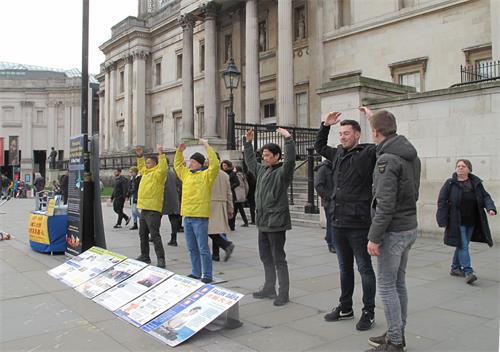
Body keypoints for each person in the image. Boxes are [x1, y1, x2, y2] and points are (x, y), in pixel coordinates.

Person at [363, 108, 421, 352]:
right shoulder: (409, 154)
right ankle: (396, 330)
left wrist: (374, 238)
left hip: (393, 230)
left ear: (376, 132)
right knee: (398, 283)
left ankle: (395, 341)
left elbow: (384, 204)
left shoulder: (387, 159)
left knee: (387, 286)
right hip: (408, 226)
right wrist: (373, 116)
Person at [315, 111, 377, 331]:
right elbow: (320, 147)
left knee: (364, 269)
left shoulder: (369, 152)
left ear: (357, 135)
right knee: (344, 269)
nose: (342, 137)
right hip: (338, 221)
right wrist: (325, 126)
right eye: (340, 133)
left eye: (347, 133)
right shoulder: (338, 153)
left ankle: (368, 311)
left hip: (359, 223)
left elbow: (386, 142)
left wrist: (373, 119)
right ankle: (345, 307)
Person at [243, 127, 296, 306]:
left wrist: (288, 139)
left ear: (276, 156)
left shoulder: (283, 173)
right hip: (263, 221)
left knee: (278, 258)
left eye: (267, 155)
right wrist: (247, 143)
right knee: (265, 256)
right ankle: (269, 287)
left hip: (276, 222)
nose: (264, 158)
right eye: (263, 155)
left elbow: (290, 161)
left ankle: (284, 292)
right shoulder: (262, 171)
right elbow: (250, 162)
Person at [436, 159, 496, 285]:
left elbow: (485, 196)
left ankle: (455, 268)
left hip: (472, 220)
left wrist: (490, 208)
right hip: (457, 221)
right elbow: (441, 201)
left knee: (462, 244)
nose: (460, 168)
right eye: (458, 166)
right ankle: (468, 272)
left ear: (469, 168)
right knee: (463, 245)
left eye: (463, 166)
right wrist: (442, 219)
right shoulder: (450, 183)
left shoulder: (475, 183)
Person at [174, 139, 219, 283]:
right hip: (187, 215)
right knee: (191, 247)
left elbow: (215, 165)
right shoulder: (186, 174)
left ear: (200, 163)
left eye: (193, 162)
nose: (190, 163)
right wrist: (179, 152)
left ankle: (207, 274)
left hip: (200, 216)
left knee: (203, 248)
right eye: (190, 161)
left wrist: (207, 146)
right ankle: (195, 271)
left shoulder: (207, 175)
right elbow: (177, 165)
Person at [135, 144, 168, 268]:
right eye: (146, 163)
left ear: (155, 163)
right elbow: (141, 166)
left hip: (153, 209)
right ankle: (145, 256)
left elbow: (164, 168)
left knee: (154, 235)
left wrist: (161, 153)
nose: (146, 164)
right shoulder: (146, 172)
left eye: (149, 163)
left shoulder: (159, 174)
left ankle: (161, 259)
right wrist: (139, 156)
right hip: (144, 208)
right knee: (142, 234)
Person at [208, 158, 235, 262]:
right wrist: (230, 208)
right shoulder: (225, 175)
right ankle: (216, 254)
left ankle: (226, 245)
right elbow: (229, 193)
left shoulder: (207, 173)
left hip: (210, 204)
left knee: (208, 229)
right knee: (218, 230)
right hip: (222, 205)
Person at [314, 159, 336, 253]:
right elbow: (318, 185)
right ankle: (331, 243)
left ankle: (331, 239)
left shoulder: (335, 166)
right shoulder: (323, 168)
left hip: (337, 200)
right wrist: (329, 197)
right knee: (331, 223)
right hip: (329, 201)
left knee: (334, 223)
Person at [162, 165, 182, 246]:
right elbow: (180, 185)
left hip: (163, 199)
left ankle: (153, 236)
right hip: (174, 198)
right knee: (173, 218)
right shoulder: (174, 174)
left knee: (155, 219)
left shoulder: (160, 174)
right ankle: (174, 238)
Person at [221, 160, 240, 231]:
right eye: (223, 165)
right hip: (223, 193)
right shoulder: (221, 173)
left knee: (232, 209)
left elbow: (237, 183)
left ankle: (232, 225)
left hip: (231, 193)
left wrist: (230, 187)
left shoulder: (232, 173)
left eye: (225, 165)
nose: (224, 167)